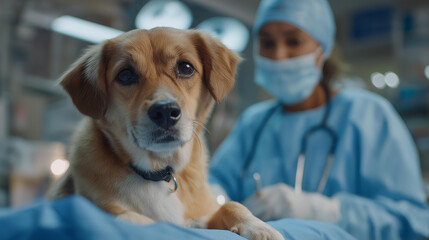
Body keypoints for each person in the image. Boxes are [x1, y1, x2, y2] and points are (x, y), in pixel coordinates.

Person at [208, 0, 429, 239]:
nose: (278, 55)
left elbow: (414, 223)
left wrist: (325, 212)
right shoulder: (254, 123)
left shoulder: (369, 115)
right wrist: (212, 198)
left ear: (322, 49)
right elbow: (214, 185)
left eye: (293, 41)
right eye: (267, 43)